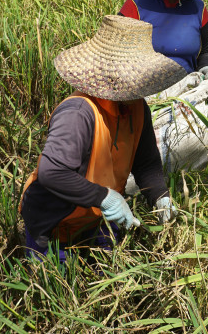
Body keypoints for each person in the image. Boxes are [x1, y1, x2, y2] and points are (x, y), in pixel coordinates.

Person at [20, 15, 184, 262]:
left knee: (105, 275)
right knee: (56, 288)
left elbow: (146, 163)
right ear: (114, 74)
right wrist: (106, 198)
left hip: (95, 217)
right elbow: (52, 172)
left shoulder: (137, 107)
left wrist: (160, 197)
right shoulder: (78, 112)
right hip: (55, 220)